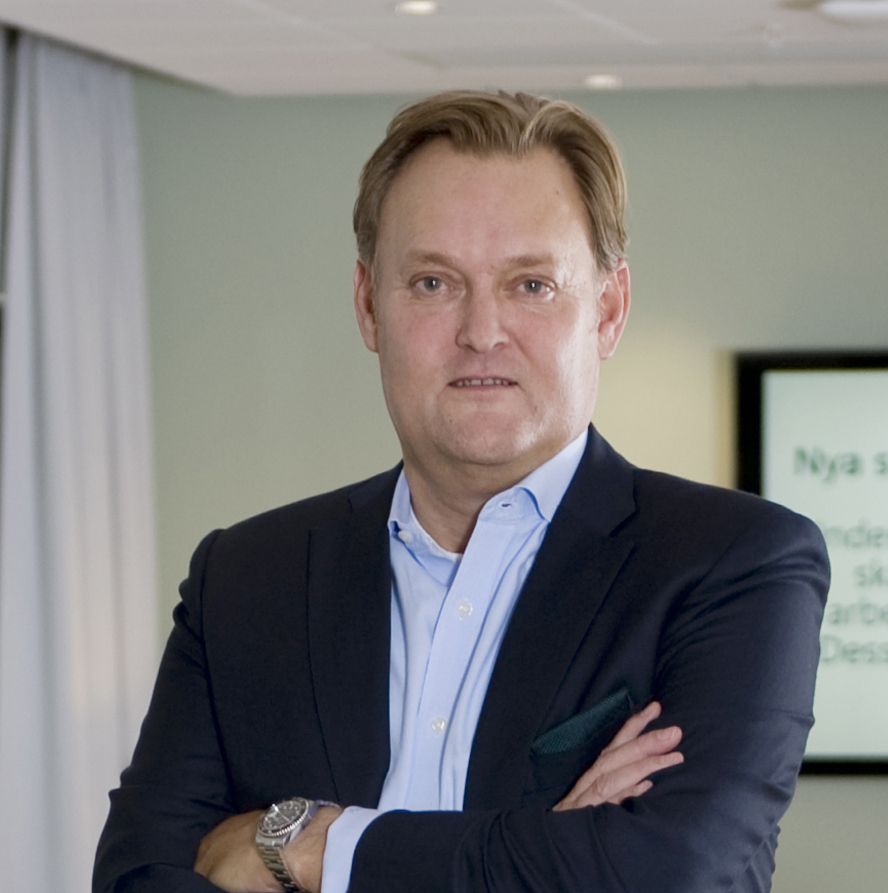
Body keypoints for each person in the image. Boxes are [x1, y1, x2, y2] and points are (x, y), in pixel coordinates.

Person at [94, 90, 828, 893]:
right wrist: (551, 851)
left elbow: (673, 869)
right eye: (433, 282)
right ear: (368, 305)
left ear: (609, 310)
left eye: (531, 284)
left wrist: (309, 844)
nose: (481, 332)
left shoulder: (734, 563)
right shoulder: (245, 580)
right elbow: (137, 878)